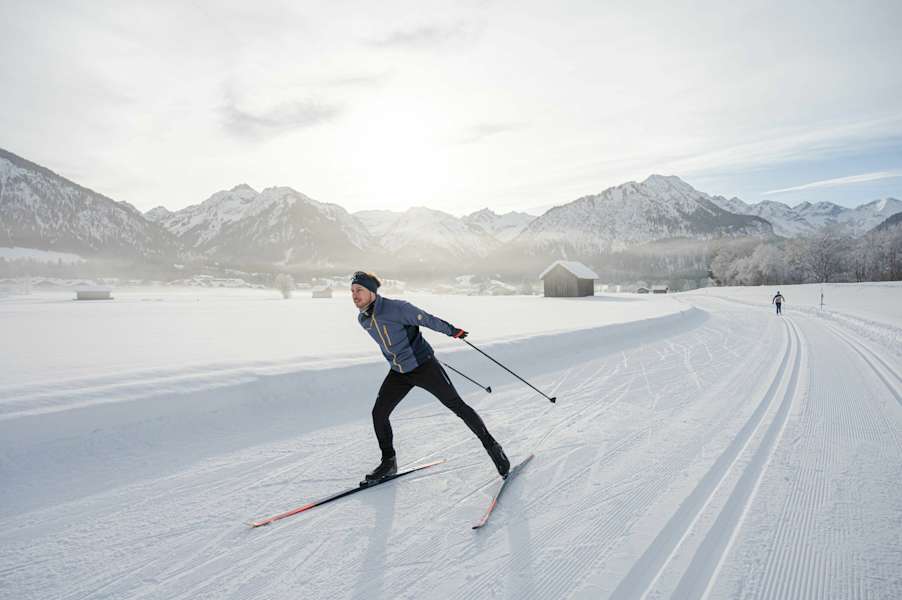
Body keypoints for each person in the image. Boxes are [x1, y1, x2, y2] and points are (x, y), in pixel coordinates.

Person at [351, 271, 510, 482]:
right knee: (378, 414)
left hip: (424, 366)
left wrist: (452, 331)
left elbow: (426, 319)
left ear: (372, 292)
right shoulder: (363, 319)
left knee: (457, 406)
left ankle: (493, 448)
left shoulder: (397, 308)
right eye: (352, 291)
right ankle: (389, 462)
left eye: (359, 290)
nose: (355, 295)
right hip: (399, 372)